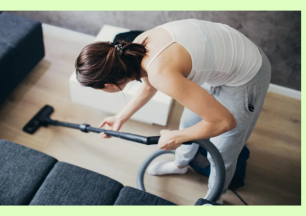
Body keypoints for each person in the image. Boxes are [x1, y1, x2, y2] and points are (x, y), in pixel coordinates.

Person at [75, 18, 271, 204]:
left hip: (247, 75)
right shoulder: (132, 49)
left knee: (222, 150)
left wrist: (176, 137)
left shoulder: (161, 73)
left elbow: (224, 122)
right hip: (220, 65)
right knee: (189, 123)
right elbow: (148, 86)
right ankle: (180, 165)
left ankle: (215, 197)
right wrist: (121, 116)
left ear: (109, 84)